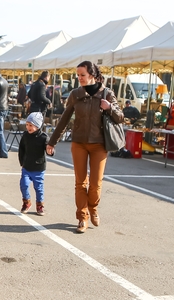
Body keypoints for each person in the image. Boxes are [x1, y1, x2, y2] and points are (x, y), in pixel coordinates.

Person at [46, 61, 123, 234]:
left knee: (95, 184)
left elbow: (120, 117)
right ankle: (82, 217)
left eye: (82, 75)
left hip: (99, 144)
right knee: (80, 183)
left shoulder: (107, 93)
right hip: (79, 142)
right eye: (78, 75)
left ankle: (93, 207)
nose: (79, 78)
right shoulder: (75, 94)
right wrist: (52, 142)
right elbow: (64, 119)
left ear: (92, 76)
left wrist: (109, 107)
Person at [18, 112, 49, 215]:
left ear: (37, 125)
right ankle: (26, 202)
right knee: (24, 184)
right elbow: (21, 149)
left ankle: (40, 205)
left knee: (38, 187)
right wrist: (22, 162)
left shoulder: (44, 137)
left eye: (30, 125)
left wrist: (50, 151)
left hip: (38, 167)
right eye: (27, 125)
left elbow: (49, 148)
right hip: (27, 166)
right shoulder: (25, 136)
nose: (28, 127)